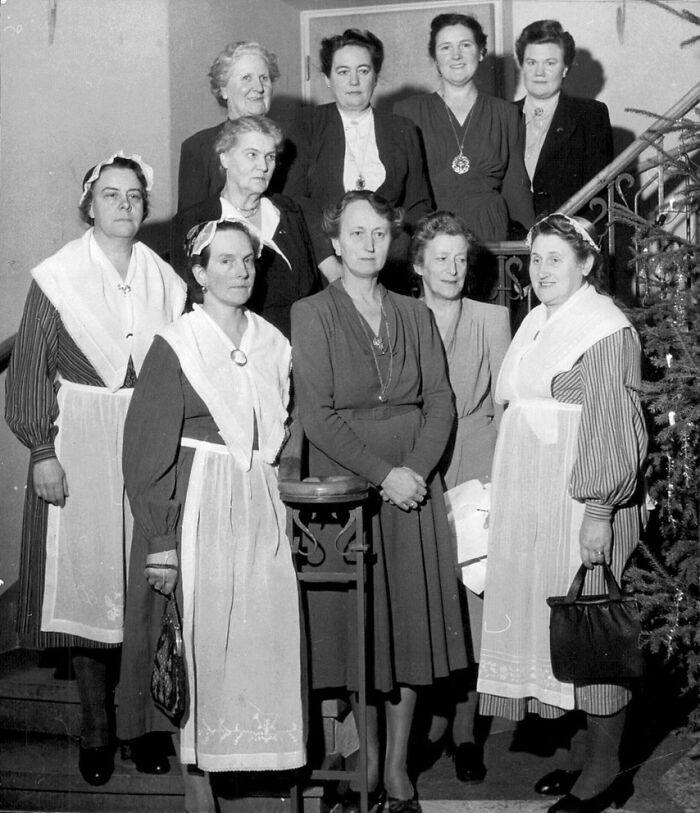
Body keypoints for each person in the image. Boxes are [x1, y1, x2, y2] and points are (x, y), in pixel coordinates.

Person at [5, 153, 187, 786]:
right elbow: (27, 365)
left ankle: (143, 726)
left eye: (136, 195)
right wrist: (42, 451)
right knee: (88, 583)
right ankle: (97, 730)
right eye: (112, 195)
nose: (125, 206)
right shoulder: (57, 277)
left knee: (145, 579)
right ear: (90, 205)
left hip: (146, 435)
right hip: (77, 438)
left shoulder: (165, 280)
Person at [118, 219, 305, 812]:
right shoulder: (177, 343)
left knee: (255, 643)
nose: (240, 271)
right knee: (193, 647)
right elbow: (146, 449)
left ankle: (252, 772)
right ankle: (198, 797)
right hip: (195, 505)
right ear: (198, 273)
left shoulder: (273, 344)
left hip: (259, 505)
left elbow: (284, 438)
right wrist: (159, 540)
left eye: (248, 260)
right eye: (224, 261)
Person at [291, 191, 467, 813]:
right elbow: (316, 413)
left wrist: (414, 470)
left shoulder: (415, 314)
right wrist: (382, 473)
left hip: (413, 491)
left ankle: (397, 770)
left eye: (381, 233)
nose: (370, 244)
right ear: (336, 243)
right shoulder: (311, 313)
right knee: (364, 631)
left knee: (412, 627)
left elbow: (440, 400)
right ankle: (367, 753)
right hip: (349, 489)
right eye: (357, 234)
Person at [477, 214, 647, 813]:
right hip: (535, 498)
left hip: (580, 498)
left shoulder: (604, 329)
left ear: (586, 265)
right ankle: (583, 754)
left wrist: (599, 510)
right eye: (536, 258)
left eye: (556, 258)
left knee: (592, 625)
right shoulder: (537, 322)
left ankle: (606, 770)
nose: (542, 270)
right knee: (561, 627)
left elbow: (612, 423)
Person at [410, 212, 511, 782]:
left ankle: (468, 731)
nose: (451, 269)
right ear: (419, 266)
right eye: (440, 258)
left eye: (459, 258)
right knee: (426, 598)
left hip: (476, 460)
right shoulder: (400, 315)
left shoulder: (493, 318)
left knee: (474, 600)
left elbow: (504, 405)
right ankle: (431, 721)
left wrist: (497, 480)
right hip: (420, 468)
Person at [284, 29, 433, 287]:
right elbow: (295, 202)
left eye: (363, 71)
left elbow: (419, 205)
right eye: (343, 72)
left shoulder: (403, 129)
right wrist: (329, 265)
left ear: (375, 77)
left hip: (390, 268)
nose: (353, 81)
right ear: (328, 78)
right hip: (324, 268)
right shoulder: (307, 124)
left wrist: (395, 251)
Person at [172, 115, 320, 339]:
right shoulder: (197, 220)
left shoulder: (288, 212)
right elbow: (190, 300)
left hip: (304, 342)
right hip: (239, 346)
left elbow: (313, 289)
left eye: (270, 157)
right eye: (252, 155)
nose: (263, 166)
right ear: (225, 158)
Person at [394, 13, 533, 242]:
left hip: (490, 239)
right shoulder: (408, 112)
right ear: (434, 58)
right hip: (431, 238)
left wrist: (529, 245)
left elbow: (516, 191)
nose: (456, 55)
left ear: (480, 52)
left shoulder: (506, 114)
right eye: (445, 47)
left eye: (465, 45)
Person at [514, 20, 614, 218]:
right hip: (509, 241)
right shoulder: (501, 114)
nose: (539, 72)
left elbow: (599, 193)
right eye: (531, 62)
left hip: (565, 237)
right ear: (522, 66)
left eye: (550, 63)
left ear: (565, 68)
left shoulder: (590, 116)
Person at [177, 41, 279, 212]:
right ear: (224, 90)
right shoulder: (198, 147)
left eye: (264, 78)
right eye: (247, 78)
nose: (259, 88)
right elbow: (189, 224)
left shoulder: (290, 145)